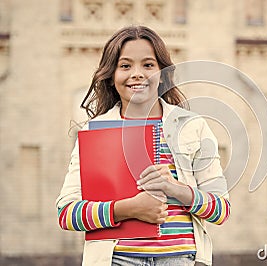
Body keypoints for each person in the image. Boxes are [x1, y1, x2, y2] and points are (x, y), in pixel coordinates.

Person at [56, 25, 230, 266]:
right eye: (125, 66)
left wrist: (175, 188)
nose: (137, 74)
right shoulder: (94, 131)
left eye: (148, 65)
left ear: (162, 73)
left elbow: (221, 210)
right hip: (117, 260)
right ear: (112, 75)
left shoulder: (192, 127)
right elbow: (67, 213)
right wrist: (128, 209)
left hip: (181, 259)